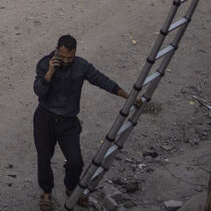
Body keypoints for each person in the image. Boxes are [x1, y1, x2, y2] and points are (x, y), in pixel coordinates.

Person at [33, 34, 142, 210]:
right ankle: (46, 192)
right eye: (63, 57)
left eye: (71, 57)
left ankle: (71, 189)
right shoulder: (45, 64)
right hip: (45, 119)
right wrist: (50, 73)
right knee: (44, 158)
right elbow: (39, 91)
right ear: (56, 51)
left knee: (76, 161)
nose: (67, 61)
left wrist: (128, 96)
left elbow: (101, 80)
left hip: (68, 122)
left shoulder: (81, 66)